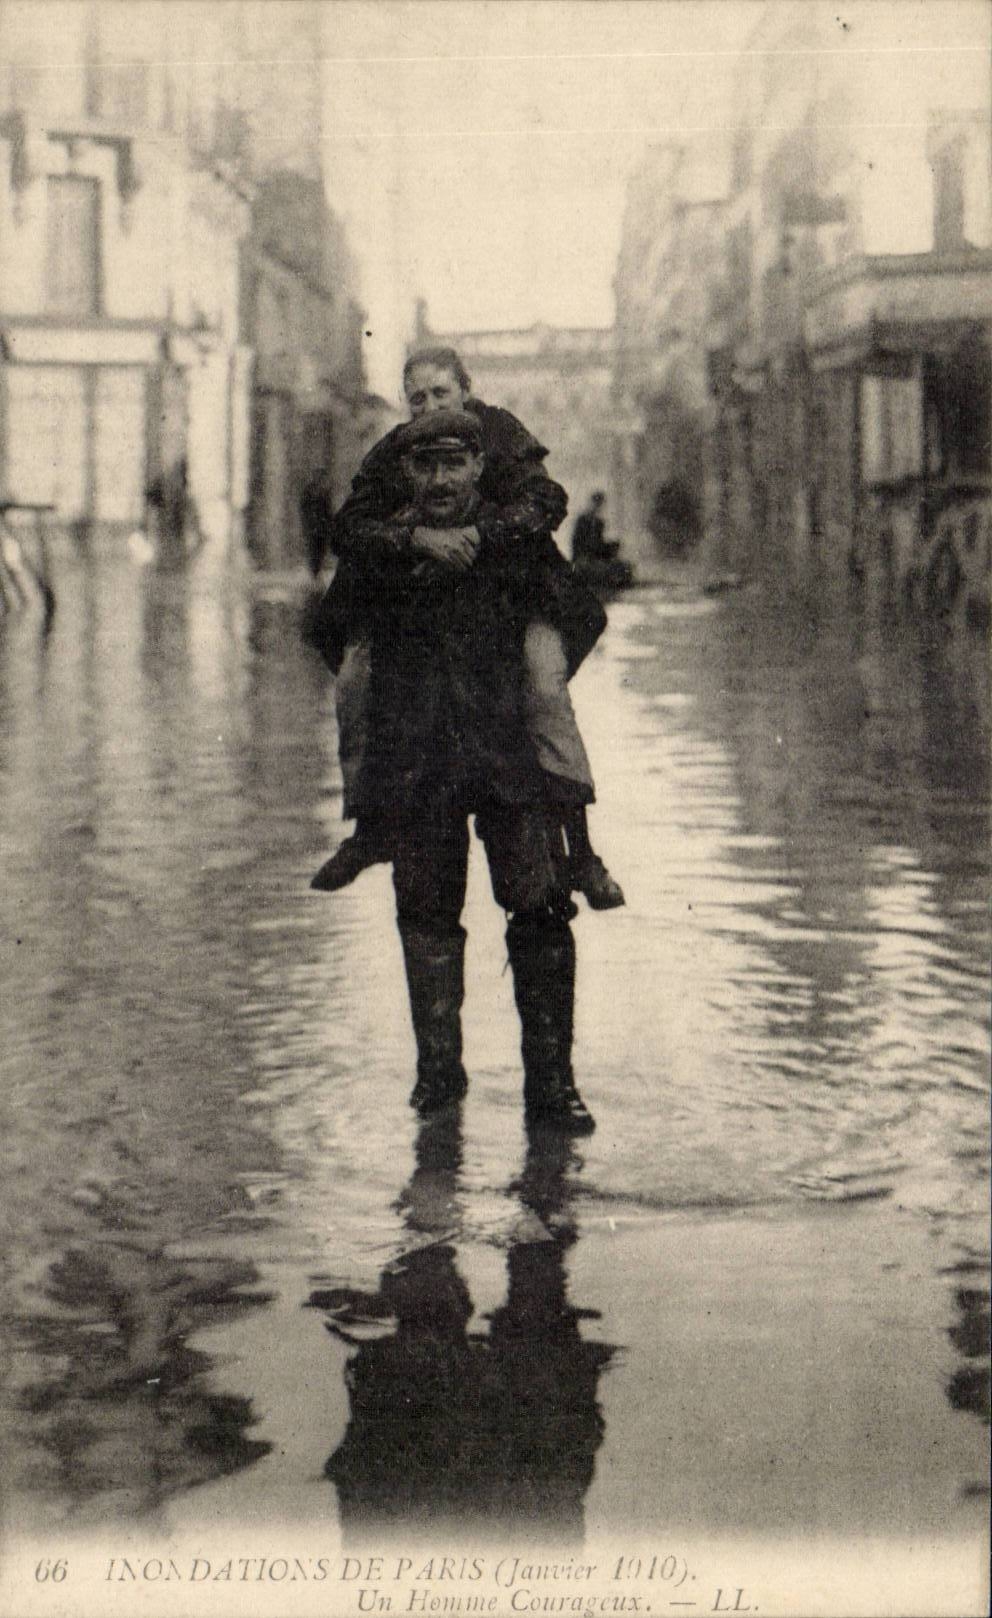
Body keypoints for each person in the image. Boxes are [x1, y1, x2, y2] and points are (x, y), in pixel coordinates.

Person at [319, 407, 597, 1131]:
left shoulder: (513, 541)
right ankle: (438, 1080)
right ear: (405, 472)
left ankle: (553, 1088)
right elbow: (331, 631)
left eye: (455, 463)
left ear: (479, 465)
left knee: (538, 912)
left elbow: (579, 617)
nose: (441, 480)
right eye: (425, 465)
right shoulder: (382, 549)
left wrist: (531, 688)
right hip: (420, 765)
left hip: (508, 761)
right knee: (427, 918)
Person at [307, 346, 624, 912]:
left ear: (466, 392)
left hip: (517, 592)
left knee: (543, 687)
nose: (428, 408)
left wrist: (480, 534)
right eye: (417, 399)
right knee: (354, 680)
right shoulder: (394, 451)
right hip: (418, 604)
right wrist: (415, 540)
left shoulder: (500, 432)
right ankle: (367, 826)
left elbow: (547, 500)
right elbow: (349, 524)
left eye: (440, 394)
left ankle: (582, 849)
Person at [571, 490, 633, 590]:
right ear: (591, 503)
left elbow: (599, 544)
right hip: (583, 559)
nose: (597, 507)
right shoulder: (582, 520)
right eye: (596, 504)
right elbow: (577, 544)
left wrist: (612, 546)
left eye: (599, 505)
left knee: (625, 567)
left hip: (596, 559)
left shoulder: (599, 523)